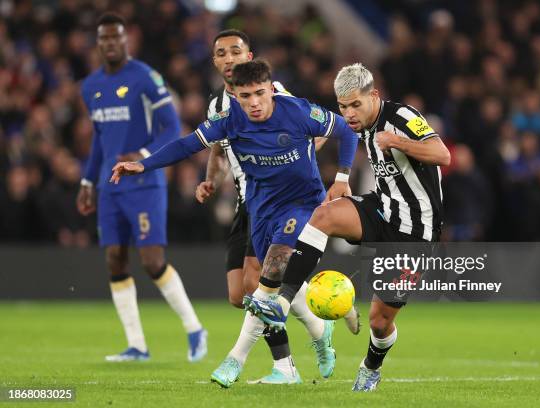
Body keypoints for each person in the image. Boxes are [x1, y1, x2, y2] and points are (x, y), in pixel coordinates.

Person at [110, 60, 359, 384]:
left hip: (300, 204)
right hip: (261, 209)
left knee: (270, 275)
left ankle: (235, 360)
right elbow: (188, 144)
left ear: (271, 89)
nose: (254, 102)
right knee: (257, 288)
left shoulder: (297, 111)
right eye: (245, 96)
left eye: (259, 93)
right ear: (236, 97)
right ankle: (319, 327)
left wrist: (342, 177)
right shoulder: (228, 120)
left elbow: (345, 129)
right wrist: (144, 165)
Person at [244, 63, 451, 391]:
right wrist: (333, 174)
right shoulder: (358, 123)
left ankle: (371, 365)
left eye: (356, 104)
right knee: (323, 215)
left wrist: (398, 143)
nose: (350, 113)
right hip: (382, 210)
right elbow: (327, 132)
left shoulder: (401, 118)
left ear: (374, 96)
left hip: (416, 232)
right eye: (343, 106)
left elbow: (442, 154)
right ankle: (282, 300)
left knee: (379, 322)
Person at [194, 30, 358, 388]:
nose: (230, 57)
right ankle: (319, 323)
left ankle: (282, 367)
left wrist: (293, 157)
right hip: (246, 200)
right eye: (222, 53)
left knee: (260, 283)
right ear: (216, 62)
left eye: (237, 50)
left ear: (249, 55)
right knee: (240, 296)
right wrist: (211, 180)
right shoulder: (217, 107)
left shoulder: (272, 92)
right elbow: (218, 149)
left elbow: (317, 124)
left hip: (278, 197)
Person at [76, 12, 206, 362]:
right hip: (109, 186)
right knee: (115, 261)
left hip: (144, 182)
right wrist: (88, 181)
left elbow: (171, 126)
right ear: (98, 42)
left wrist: (144, 155)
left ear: (126, 39)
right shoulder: (90, 87)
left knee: (151, 261)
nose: (110, 43)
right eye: (104, 38)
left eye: (116, 37)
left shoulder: (146, 78)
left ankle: (194, 328)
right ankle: (137, 345)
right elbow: (101, 142)